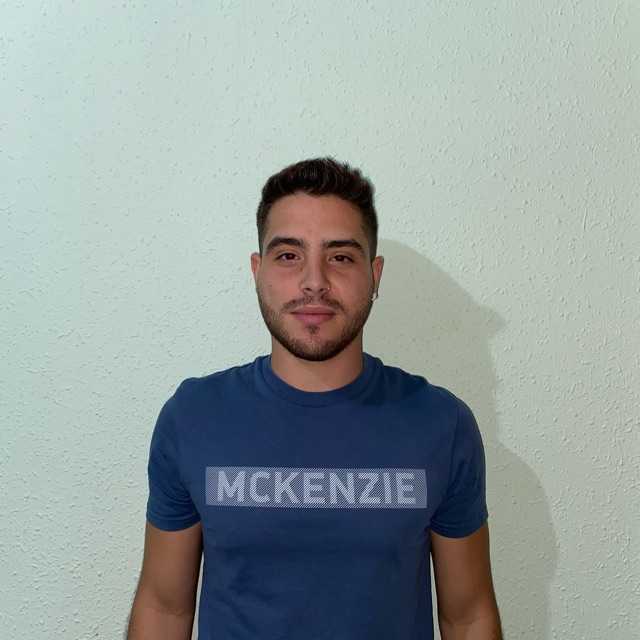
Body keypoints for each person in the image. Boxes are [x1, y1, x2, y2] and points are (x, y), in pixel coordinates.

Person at [126, 157, 503, 639]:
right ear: (258, 271)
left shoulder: (440, 424)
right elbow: (163, 609)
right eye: (289, 255)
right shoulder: (194, 417)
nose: (314, 281)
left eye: (340, 257)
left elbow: (468, 616)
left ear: (375, 274)